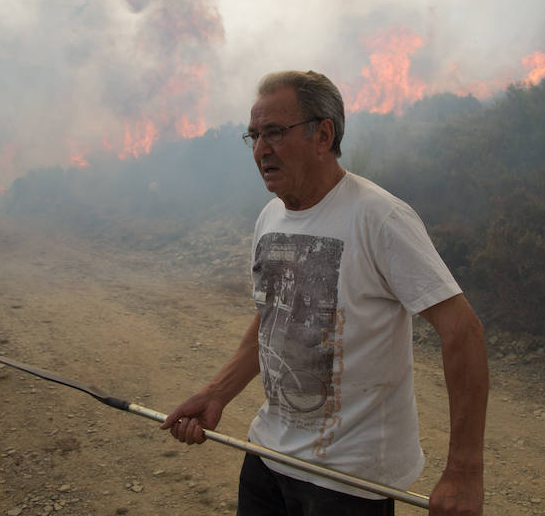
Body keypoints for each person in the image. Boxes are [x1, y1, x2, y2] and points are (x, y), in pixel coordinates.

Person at [161, 71, 489, 516]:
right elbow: (277, 316)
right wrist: (217, 393)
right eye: (254, 136)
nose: (260, 150)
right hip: (268, 456)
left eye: (275, 132)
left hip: (348, 481)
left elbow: (462, 332)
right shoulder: (269, 218)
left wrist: (464, 472)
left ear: (324, 135)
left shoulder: (380, 217)